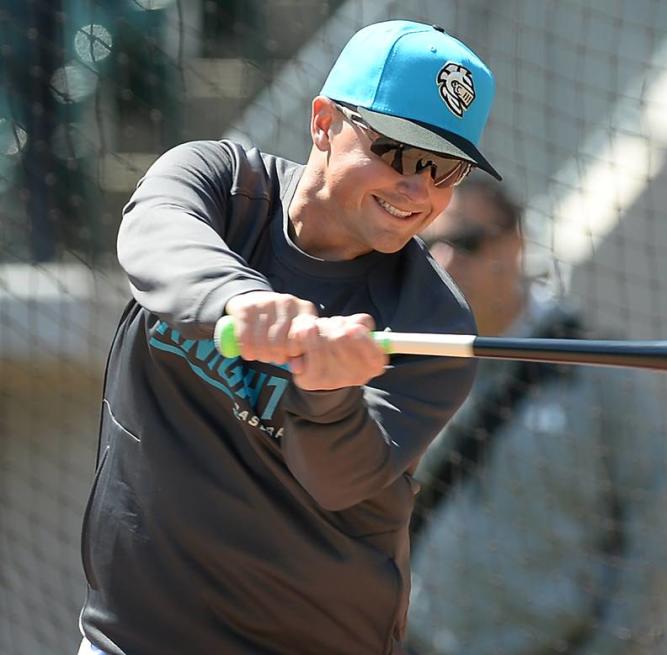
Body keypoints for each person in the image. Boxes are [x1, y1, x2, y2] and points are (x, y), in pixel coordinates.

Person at [78, 20, 501, 655]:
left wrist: (329, 395)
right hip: (129, 636)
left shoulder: (432, 321)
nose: (419, 192)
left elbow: (341, 482)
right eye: (400, 153)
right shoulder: (220, 183)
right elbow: (154, 235)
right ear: (324, 122)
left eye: (447, 171)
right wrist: (246, 302)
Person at [405, 178, 667, 654]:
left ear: (516, 243)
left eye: (466, 242)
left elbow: (653, 538)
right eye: (428, 244)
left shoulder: (598, 370)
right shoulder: (400, 366)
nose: (445, 261)